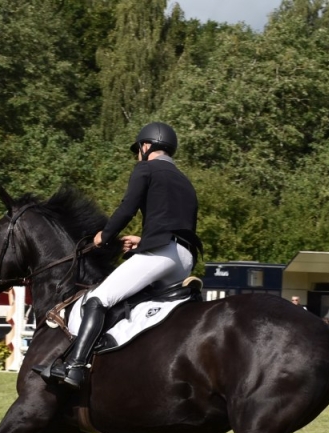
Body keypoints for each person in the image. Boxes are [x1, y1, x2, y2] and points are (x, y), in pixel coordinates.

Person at [33, 122, 203, 389]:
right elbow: (178, 222)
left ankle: (74, 367)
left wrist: (105, 235)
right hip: (184, 257)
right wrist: (144, 241)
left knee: (99, 298)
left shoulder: (146, 168)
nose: (138, 154)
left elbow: (127, 208)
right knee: (136, 307)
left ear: (147, 146)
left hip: (161, 253)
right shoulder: (184, 180)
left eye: (138, 149)